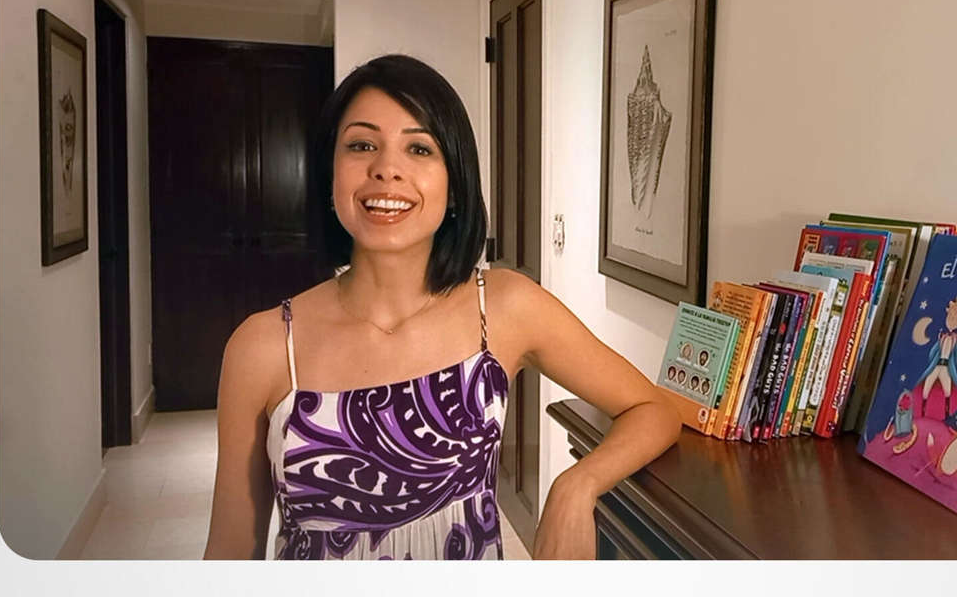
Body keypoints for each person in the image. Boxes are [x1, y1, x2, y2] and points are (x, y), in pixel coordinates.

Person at [203, 54, 680, 560]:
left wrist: (577, 485)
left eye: (419, 148)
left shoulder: (503, 307)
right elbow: (230, 553)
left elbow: (654, 411)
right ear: (329, 174)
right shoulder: (263, 346)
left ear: (454, 184)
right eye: (362, 145)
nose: (387, 169)